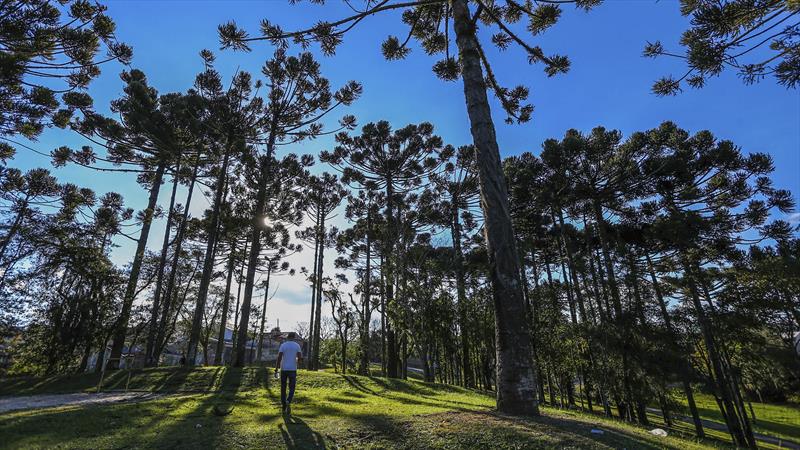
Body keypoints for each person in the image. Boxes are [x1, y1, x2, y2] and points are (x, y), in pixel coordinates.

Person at [275, 332, 302, 414]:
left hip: (283, 369)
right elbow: (300, 358)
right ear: (294, 337)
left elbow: (279, 357)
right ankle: (288, 400)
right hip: (293, 369)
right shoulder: (297, 345)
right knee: (292, 387)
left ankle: (283, 406)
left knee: (283, 388)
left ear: (287, 337)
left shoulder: (283, 345)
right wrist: (298, 361)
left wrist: (276, 368)